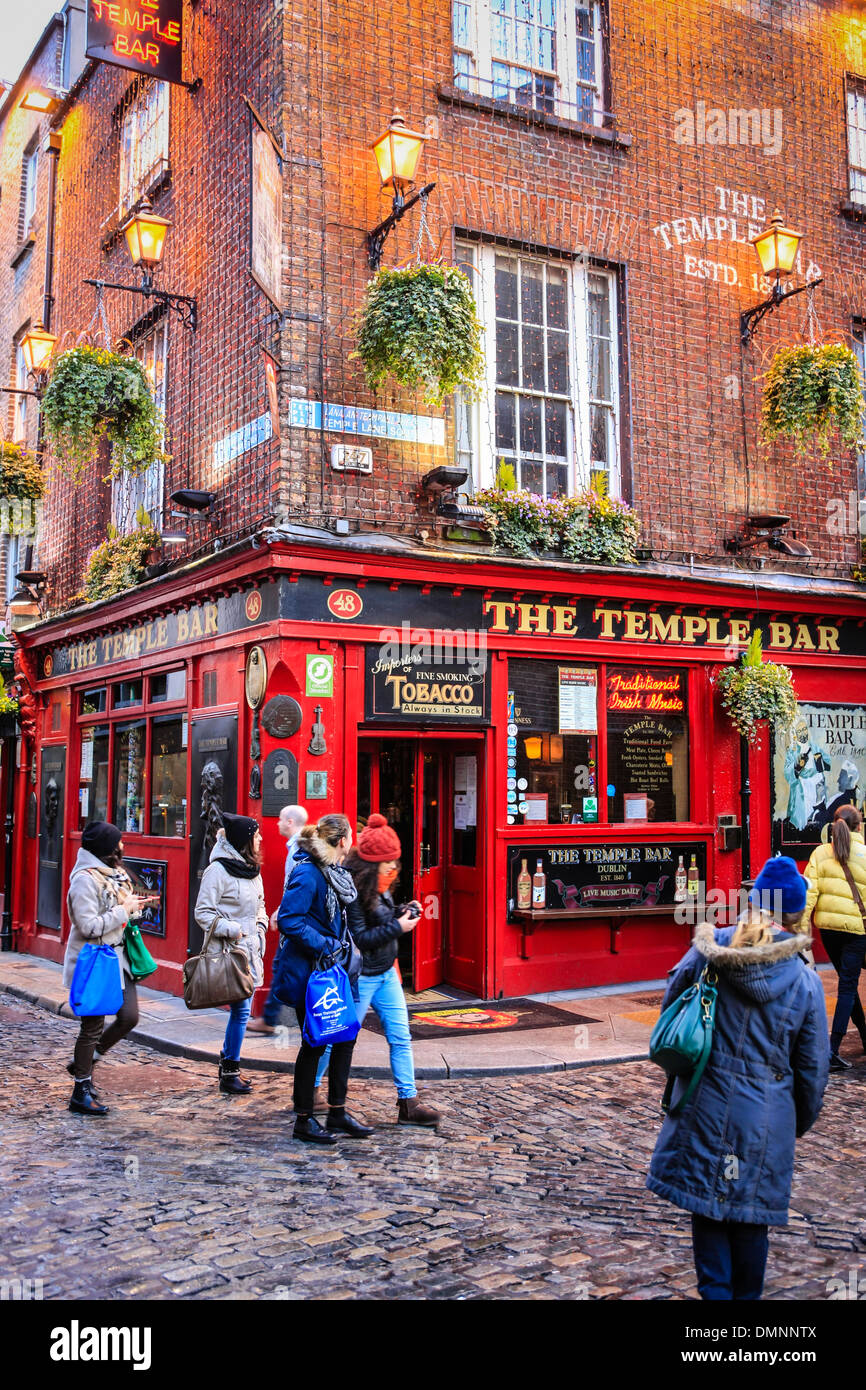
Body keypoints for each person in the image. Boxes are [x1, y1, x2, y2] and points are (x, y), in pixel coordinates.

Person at [647, 855, 828, 1301]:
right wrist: (793, 1122)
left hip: (705, 1105)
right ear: (796, 913)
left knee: (709, 1213)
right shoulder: (805, 982)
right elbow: (813, 1071)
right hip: (766, 1118)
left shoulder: (711, 951)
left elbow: (673, 1014)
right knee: (750, 1219)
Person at [314, 813, 440, 1125]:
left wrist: (402, 909)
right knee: (337, 1039)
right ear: (373, 867)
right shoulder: (356, 893)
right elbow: (361, 937)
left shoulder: (379, 885)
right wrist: (399, 926)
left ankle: (408, 1102)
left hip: (386, 973)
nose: (395, 870)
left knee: (400, 1036)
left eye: (395, 864)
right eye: (389, 865)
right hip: (362, 978)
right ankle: (311, 1090)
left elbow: (382, 916)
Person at [276, 813, 372, 1145]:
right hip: (313, 971)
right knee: (315, 1043)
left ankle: (337, 1111)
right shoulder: (308, 872)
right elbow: (288, 919)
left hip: (337, 969)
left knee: (345, 1037)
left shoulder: (335, 872)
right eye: (352, 837)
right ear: (344, 840)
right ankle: (303, 1120)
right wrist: (327, 944)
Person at [63, 821, 155, 1116]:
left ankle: (88, 1062)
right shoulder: (84, 880)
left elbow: (119, 914)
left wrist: (134, 907)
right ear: (108, 847)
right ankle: (80, 1089)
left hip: (119, 959)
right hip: (95, 961)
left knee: (129, 1016)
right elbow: (88, 926)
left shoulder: (115, 874)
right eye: (119, 841)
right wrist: (122, 911)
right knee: (91, 1027)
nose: (123, 845)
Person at [194, 812, 268, 1095]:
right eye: (257, 835)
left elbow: (260, 903)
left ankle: (229, 1067)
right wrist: (233, 929)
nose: (260, 839)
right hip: (229, 949)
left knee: (241, 1010)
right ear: (245, 840)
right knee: (241, 1010)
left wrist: (260, 927)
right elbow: (202, 912)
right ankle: (229, 1070)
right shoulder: (218, 871)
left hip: (250, 949)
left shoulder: (252, 869)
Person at [804, 804, 866, 1071]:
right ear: (859, 827)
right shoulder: (864, 854)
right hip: (855, 930)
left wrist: (799, 929)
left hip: (828, 929)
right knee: (848, 987)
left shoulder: (819, 853)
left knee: (846, 984)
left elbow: (809, 893)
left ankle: (863, 1036)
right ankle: (832, 1050)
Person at [248, 804, 309, 1036]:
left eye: (281, 819)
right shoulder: (298, 846)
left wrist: (282, 912)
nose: (277, 823)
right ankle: (271, 1016)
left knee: (282, 964)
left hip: (295, 921)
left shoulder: (297, 850)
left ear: (291, 822)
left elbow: (295, 887)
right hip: (294, 918)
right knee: (282, 964)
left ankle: (271, 1017)